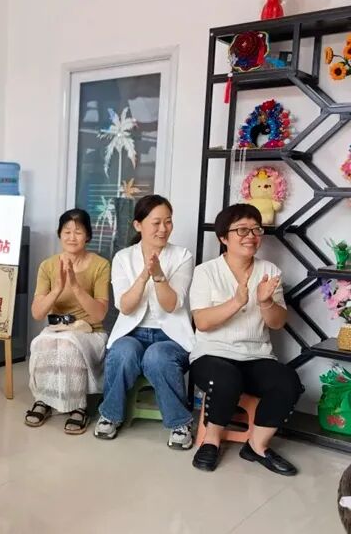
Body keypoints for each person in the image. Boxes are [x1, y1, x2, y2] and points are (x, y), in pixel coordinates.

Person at [189, 204, 302, 475]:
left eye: (255, 229)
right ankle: (211, 440)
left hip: (256, 355)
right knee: (227, 378)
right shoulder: (206, 271)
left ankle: (257, 446)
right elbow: (202, 322)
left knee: (288, 382)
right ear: (223, 237)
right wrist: (236, 302)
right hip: (211, 354)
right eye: (241, 230)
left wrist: (265, 302)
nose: (250, 236)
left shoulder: (270, 271)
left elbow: (277, 323)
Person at [94, 194, 196, 449]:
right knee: (122, 352)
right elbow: (125, 306)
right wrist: (143, 276)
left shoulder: (182, 256)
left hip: (171, 337)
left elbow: (172, 305)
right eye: (156, 223)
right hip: (133, 332)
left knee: (157, 356)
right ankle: (110, 415)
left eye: (168, 222)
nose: (163, 229)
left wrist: (159, 276)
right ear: (138, 225)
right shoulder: (123, 258)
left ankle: (180, 423)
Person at [25, 209, 110, 434]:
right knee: (40, 343)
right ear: (59, 234)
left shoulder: (100, 265)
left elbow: (99, 315)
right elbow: (37, 313)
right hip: (58, 329)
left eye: (78, 232)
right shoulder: (48, 266)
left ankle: (78, 406)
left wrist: (75, 287)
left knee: (67, 344)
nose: (72, 237)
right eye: (67, 231)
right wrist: (57, 289)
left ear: (88, 236)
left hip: (90, 332)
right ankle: (44, 400)